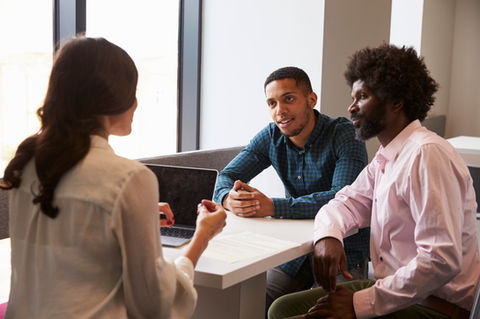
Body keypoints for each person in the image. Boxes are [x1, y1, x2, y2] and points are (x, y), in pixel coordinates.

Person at [0, 36, 226, 319]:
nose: (136, 103)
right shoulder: (128, 178)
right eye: (132, 91)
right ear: (112, 97)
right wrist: (202, 236)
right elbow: (154, 305)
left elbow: (65, 239)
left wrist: (132, 213)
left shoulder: (27, 163)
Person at [268, 44, 480, 319]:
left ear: (396, 101)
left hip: (435, 305)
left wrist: (359, 304)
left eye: (363, 96)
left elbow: (440, 261)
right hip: (396, 290)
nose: (351, 107)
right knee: (281, 308)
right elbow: (345, 202)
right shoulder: (388, 155)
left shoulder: (426, 154)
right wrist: (329, 235)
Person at [213, 66, 370, 309]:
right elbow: (227, 175)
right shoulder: (271, 137)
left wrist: (273, 206)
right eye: (272, 103)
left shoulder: (344, 134)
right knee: (254, 305)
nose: (280, 111)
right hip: (295, 251)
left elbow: (343, 198)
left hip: (341, 249)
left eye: (288, 99)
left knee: (328, 312)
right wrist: (227, 198)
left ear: (311, 99)